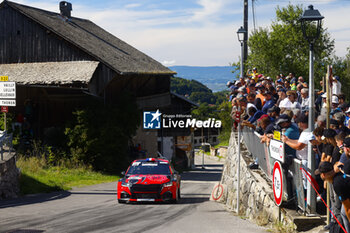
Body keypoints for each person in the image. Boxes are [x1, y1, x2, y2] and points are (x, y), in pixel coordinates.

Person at [315, 160, 350, 232]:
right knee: (343, 213)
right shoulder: (337, 177)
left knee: (345, 213)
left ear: (323, 175)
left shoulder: (337, 184)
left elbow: (348, 208)